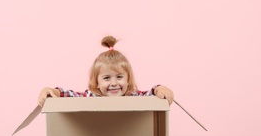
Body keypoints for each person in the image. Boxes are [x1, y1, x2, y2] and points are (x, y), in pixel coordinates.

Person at [38, 36, 174, 107]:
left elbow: (149, 94)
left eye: (119, 77)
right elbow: (69, 95)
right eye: (107, 78)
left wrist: (160, 89)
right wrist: (51, 91)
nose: (114, 83)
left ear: (128, 79)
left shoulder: (133, 96)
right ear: (96, 82)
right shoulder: (91, 97)